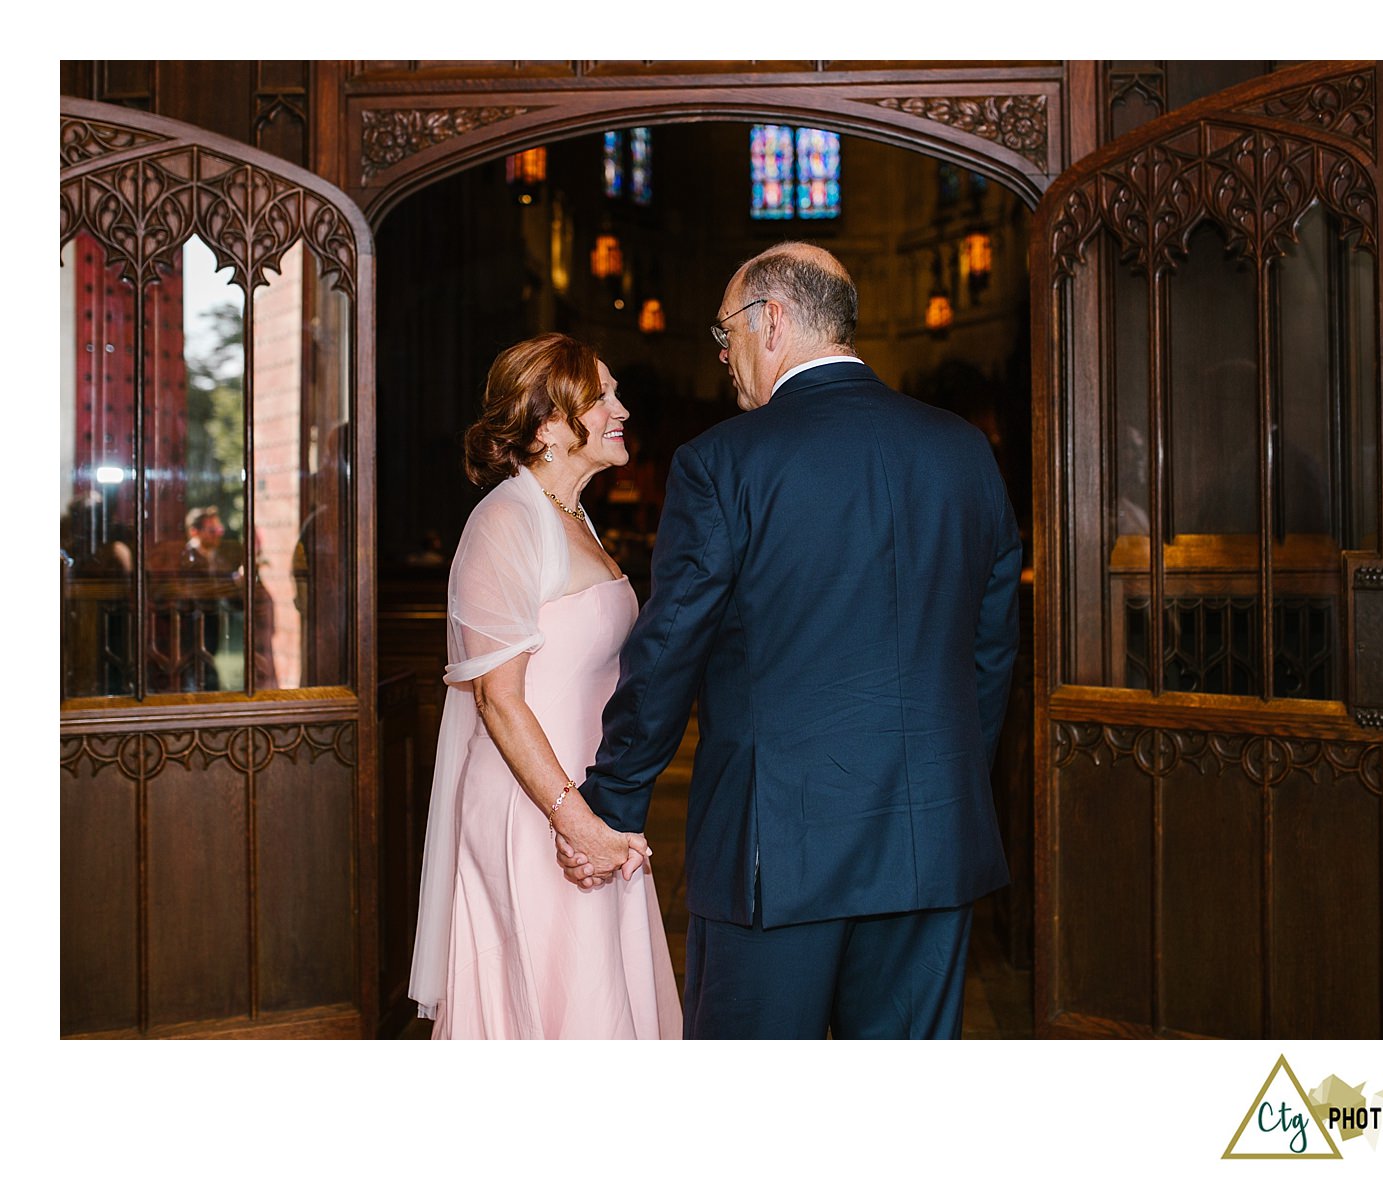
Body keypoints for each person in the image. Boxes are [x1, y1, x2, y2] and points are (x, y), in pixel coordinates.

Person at [557, 242, 1022, 1038]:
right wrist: (941, 781)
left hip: (778, 851)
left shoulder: (723, 463)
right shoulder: (962, 452)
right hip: (929, 838)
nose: (724, 358)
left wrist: (611, 803)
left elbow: (669, 650)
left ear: (771, 321)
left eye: (725, 333)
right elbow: (990, 646)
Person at [409, 333, 681, 1039]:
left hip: (589, 801)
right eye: (602, 397)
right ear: (549, 424)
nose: (621, 408)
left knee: (595, 996)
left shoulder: (573, 515)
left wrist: (604, 811)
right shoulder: (504, 520)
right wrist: (575, 821)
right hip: (536, 810)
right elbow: (499, 699)